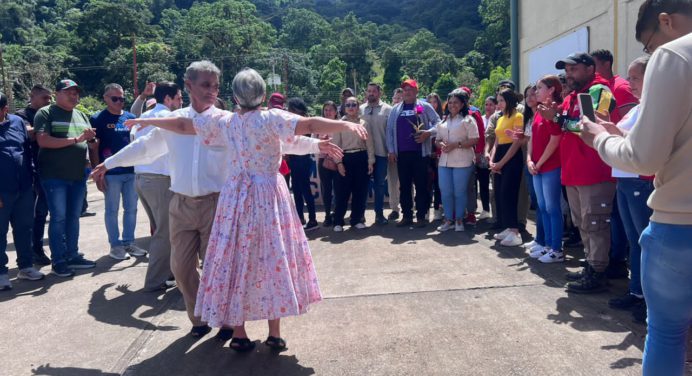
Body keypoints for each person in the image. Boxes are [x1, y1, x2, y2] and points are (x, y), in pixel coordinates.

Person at [125, 67, 366, 352]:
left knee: (236, 260)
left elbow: (183, 126)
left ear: (235, 96)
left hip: (235, 197)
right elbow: (306, 124)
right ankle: (274, 333)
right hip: (268, 195)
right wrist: (343, 124)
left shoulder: (227, 123)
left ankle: (239, 333)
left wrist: (145, 120)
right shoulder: (271, 117)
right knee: (272, 256)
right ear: (262, 94)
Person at [581, 2, 692, 372]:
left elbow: (644, 157)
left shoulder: (676, 54)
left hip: (681, 222)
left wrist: (599, 138)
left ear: (666, 21)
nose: (651, 53)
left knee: (666, 333)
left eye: (648, 45)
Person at [91, 61, 233, 339]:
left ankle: (226, 320)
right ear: (189, 86)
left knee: (217, 268)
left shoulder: (225, 122)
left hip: (217, 204)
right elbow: (144, 148)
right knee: (180, 268)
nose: (212, 91)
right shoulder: (171, 122)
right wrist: (108, 163)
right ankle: (199, 317)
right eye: (205, 85)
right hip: (180, 204)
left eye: (215, 86)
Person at [551, 52, 617, 293]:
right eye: (567, 71)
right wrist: (557, 117)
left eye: (573, 69)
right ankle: (591, 264)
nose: (568, 75)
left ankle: (598, 271)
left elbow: (588, 125)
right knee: (582, 223)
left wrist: (559, 119)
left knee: (595, 223)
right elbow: (567, 123)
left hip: (594, 171)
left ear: (590, 69)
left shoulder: (600, 91)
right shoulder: (572, 97)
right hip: (574, 170)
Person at [600, 56, 652, 323]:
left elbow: (643, 143)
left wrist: (613, 133)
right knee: (635, 240)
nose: (629, 82)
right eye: (629, 77)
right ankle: (637, 292)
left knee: (643, 240)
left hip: (639, 180)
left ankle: (646, 299)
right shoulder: (637, 108)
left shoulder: (653, 107)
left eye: (635, 77)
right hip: (624, 178)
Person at [34, 79, 97, 277]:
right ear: (57, 93)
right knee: (58, 218)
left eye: (76, 93)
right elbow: (43, 140)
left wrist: (93, 144)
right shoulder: (46, 113)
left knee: (73, 217)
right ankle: (58, 260)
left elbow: (90, 143)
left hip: (78, 176)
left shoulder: (81, 115)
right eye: (69, 92)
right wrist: (77, 140)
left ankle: (73, 255)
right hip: (54, 176)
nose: (74, 96)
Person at [130, 81, 182, 291]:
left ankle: (170, 273)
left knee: (161, 230)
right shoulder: (166, 118)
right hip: (159, 179)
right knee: (166, 233)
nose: (181, 101)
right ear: (167, 99)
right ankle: (154, 281)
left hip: (142, 178)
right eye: (178, 97)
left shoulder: (145, 117)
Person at [89, 83, 146, 260]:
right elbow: (93, 148)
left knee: (131, 209)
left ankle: (129, 243)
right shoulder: (97, 119)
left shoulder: (129, 117)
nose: (119, 101)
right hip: (111, 174)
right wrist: (98, 172)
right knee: (111, 210)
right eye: (115, 98)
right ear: (105, 98)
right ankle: (115, 246)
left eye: (122, 98)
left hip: (131, 172)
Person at [0, 92, 45, 290]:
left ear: (5, 110)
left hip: (24, 187)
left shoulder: (17, 122)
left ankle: (25, 267)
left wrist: (32, 177)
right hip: (2, 191)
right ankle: (1, 273)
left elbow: (26, 151)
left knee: (24, 229)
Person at [386, 79, 441, 228]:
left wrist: (428, 133)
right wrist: (391, 150)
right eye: (405, 90)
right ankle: (407, 216)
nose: (407, 92)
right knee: (404, 186)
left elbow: (439, 123)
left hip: (420, 153)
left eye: (410, 89)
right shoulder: (395, 109)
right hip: (402, 154)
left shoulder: (425, 106)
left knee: (422, 185)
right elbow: (389, 131)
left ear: (416, 91)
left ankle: (421, 216)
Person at [526, 76, 564, 263]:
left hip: (550, 166)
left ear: (551, 90)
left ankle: (556, 248)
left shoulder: (554, 110)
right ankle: (547, 245)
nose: (536, 91)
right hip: (537, 167)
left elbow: (555, 139)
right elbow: (532, 138)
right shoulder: (538, 111)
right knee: (542, 207)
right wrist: (529, 160)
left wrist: (539, 163)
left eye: (539, 87)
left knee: (552, 207)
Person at [15, 84, 52, 266]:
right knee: (35, 214)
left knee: (45, 212)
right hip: (30, 171)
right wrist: (46, 131)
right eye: (45, 98)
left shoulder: (49, 113)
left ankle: (43, 249)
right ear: (33, 97)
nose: (49, 101)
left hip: (48, 169)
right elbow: (30, 134)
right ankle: (34, 250)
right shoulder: (22, 115)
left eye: (50, 97)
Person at [434, 89, 478, 232]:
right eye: (450, 102)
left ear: (462, 104)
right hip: (444, 161)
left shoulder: (468, 120)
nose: (452, 105)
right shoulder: (443, 120)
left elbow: (474, 139)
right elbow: (437, 139)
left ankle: (459, 219)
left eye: (456, 103)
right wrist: (440, 144)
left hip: (462, 161)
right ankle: (448, 219)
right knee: (445, 191)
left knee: (459, 191)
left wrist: (456, 145)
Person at [332, 96, 375, 231]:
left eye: (354, 105)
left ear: (358, 107)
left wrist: (370, 161)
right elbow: (336, 145)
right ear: (344, 108)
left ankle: (356, 219)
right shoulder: (339, 124)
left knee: (360, 191)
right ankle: (338, 221)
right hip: (345, 158)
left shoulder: (364, 124)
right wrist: (339, 163)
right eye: (348, 105)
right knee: (342, 192)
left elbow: (370, 144)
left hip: (361, 157)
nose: (351, 107)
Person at [490, 89, 524, 246]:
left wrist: (501, 163)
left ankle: (515, 231)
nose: (499, 104)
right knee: (499, 194)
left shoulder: (518, 116)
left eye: (501, 100)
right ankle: (508, 227)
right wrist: (492, 159)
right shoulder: (500, 117)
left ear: (509, 101)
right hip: (499, 155)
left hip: (511, 157)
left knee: (508, 193)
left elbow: (516, 143)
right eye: (498, 100)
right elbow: (497, 140)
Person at [361, 83, 393, 225]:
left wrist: (391, 151)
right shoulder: (359, 109)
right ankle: (359, 214)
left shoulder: (388, 110)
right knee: (362, 185)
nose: (371, 93)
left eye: (374, 91)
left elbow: (391, 133)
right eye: (369, 91)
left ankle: (379, 214)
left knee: (379, 184)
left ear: (380, 93)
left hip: (381, 153)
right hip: (362, 154)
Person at [285, 97, 319, 230]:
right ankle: (301, 218)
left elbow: (295, 140)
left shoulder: (303, 121)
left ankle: (312, 219)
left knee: (304, 190)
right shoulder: (298, 120)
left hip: (302, 159)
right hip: (296, 159)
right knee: (298, 191)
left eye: (290, 109)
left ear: (295, 109)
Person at [317, 102, 339, 226]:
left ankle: (337, 213)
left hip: (337, 160)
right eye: (326, 110)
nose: (328, 112)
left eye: (331, 110)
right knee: (326, 189)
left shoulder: (340, 124)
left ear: (336, 112)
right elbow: (313, 142)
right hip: (323, 160)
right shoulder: (318, 125)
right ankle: (327, 215)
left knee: (338, 188)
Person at [427, 93, 444, 221]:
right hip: (425, 155)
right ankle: (425, 209)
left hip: (439, 155)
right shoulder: (421, 118)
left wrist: (437, 153)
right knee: (425, 183)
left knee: (439, 184)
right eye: (430, 101)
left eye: (435, 102)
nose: (432, 104)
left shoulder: (443, 119)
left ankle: (438, 209)